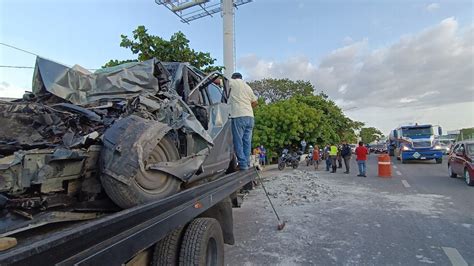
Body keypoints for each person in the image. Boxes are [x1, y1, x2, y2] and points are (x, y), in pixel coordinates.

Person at [228, 72, 258, 170]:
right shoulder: (248, 87)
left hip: (238, 116)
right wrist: (248, 107)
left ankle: (242, 164)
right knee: (247, 142)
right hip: (250, 117)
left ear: (234, 78)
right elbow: (255, 102)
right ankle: (247, 163)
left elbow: (218, 81)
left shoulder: (233, 82)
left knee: (238, 141)